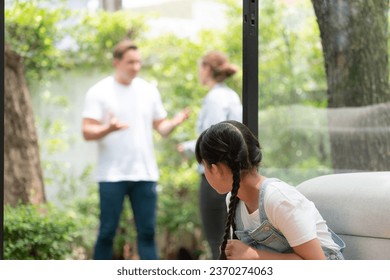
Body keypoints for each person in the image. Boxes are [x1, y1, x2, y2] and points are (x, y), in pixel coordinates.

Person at [81, 39, 190, 260]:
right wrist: (108, 128)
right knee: (107, 233)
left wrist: (176, 121)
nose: (136, 67)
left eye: (139, 62)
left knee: (148, 233)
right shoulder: (99, 91)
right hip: (112, 175)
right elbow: (87, 131)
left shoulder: (148, 90)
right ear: (116, 62)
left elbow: (162, 128)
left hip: (145, 173)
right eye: (130, 62)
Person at [195, 120, 345, 260]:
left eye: (203, 165)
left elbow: (318, 264)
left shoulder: (278, 199)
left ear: (216, 169)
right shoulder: (233, 200)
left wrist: (254, 256)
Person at [177, 51, 242, 259]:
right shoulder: (231, 95)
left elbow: (213, 139)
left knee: (218, 244)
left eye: (200, 68)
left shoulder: (214, 98)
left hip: (215, 176)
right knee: (231, 241)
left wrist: (187, 147)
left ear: (207, 69)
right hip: (232, 175)